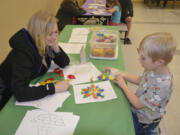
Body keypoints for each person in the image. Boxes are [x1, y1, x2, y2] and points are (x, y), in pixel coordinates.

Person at [103, 32, 176, 135]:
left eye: (143, 58)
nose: (139, 60)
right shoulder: (153, 68)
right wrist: (120, 73)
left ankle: (151, 131)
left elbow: (137, 104)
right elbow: (140, 80)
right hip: (138, 111)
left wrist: (123, 85)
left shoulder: (163, 85)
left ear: (159, 62)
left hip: (143, 121)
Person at [0, 10, 70, 110]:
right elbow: (20, 93)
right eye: (50, 34)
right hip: (6, 95)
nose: (54, 37)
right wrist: (54, 88)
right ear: (38, 34)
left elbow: (64, 62)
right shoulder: (23, 54)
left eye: (56, 32)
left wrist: (55, 47)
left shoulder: (45, 43)